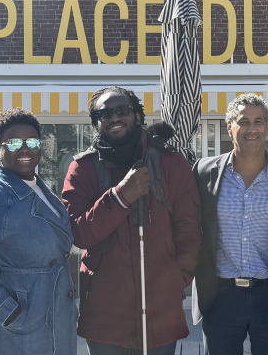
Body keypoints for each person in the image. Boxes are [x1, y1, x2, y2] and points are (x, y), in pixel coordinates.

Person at [62, 86, 201, 355]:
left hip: (161, 310)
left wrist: (178, 277)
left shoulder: (171, 162)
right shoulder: (82, 168)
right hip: (105, 317)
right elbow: (78, 233)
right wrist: (120, 197)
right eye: (104, 113)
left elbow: (189, 227)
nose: (114, 117)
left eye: (122, 110)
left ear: (138, 116)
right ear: (95, 123)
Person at [0, 108, 77, 354]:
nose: (24, 148)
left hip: (52, 327)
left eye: (32, 141)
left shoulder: (41, 190)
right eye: (13, 143)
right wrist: (9, 312)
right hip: (13, 336)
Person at [193, 94, 268, 355]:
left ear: (267, 127)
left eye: (258, 121)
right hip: (221, 296)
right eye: (243, 121)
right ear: (229, 126)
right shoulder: (204, 172)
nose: (251, 129)